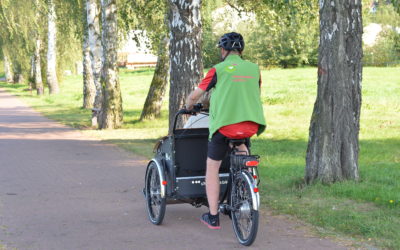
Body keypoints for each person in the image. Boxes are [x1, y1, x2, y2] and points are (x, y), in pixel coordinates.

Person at [184, 32, 266, 229]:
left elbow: (195, 96)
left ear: (224, 50)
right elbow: (253, 91)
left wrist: (188, 106)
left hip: (225, 127)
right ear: (241, 50)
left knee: (212, 166)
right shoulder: (255, 69)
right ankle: (247, 186)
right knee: (243, 152)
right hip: (250, 125)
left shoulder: (217, 70)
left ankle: (213, 216)